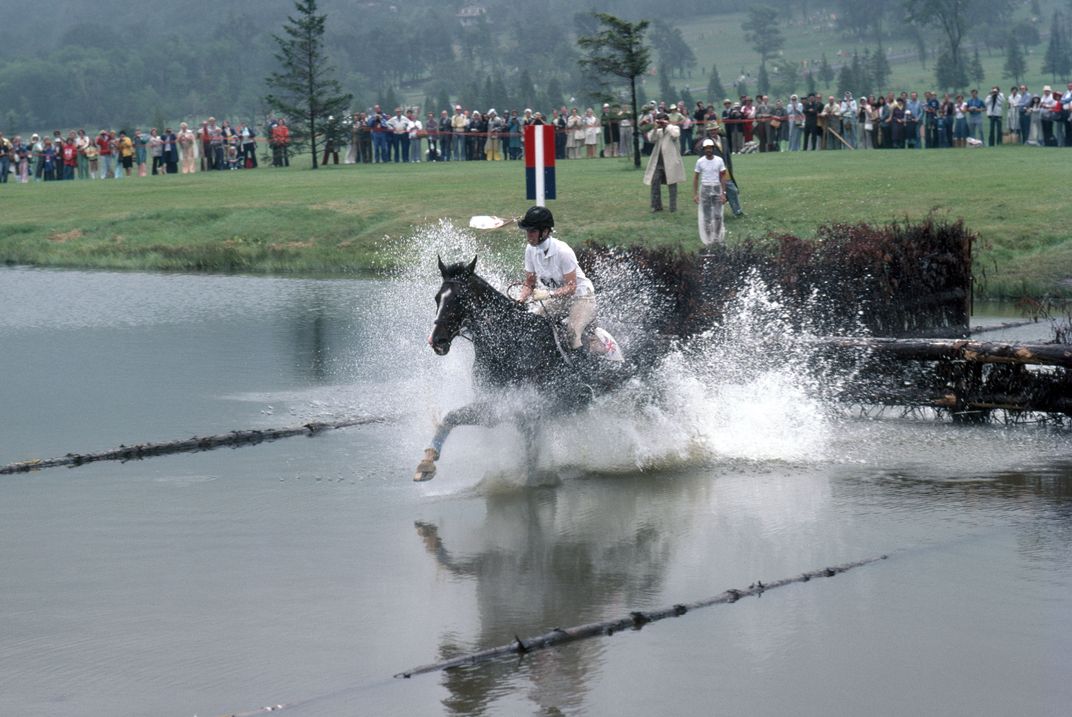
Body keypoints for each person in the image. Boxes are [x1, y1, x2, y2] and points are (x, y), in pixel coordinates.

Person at [516, 206, 597, 353]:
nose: (528, 235)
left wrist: (548, 294)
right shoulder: (530, 250)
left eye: (532, 231)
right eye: (527, 231)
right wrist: (520, 299)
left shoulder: (563, 252)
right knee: (532, 324)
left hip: (582, 297)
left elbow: (572, 287)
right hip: (560, 298)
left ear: (545, 231)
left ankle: (585, 369)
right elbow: (529, 283)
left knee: (572, 335)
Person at [643, 112, 685, 213]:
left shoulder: (674, 128)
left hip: (671, 162)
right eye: (659, 120)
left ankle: (673, 207)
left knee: (672, 185)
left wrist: (668, 125)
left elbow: (676, 135)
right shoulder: (657, 131)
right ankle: (656, 206)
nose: (661, 123)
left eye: (663, 120)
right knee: (655, 183)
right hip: (658, 162)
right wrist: (655, 127)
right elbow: (651, 139)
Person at [692, 138, 728, 249]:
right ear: (704, 150)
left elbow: (723, 177)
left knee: (717, 215)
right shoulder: (700, 161)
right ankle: (708, 239)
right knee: (706, 217)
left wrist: (724, 193)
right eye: (706, 148)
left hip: (716, 187)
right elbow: (696, 178)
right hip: (705, 188)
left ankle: (716, 238)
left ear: (713, 149)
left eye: (710, 148)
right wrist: (695, 194)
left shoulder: (719, 160)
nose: (708, 150)